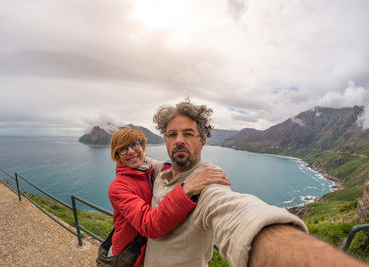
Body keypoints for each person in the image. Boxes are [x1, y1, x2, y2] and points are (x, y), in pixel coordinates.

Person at [143, 99, 365, 267]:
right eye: (172, 134)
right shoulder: (161, 172)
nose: (179, 140)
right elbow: (149, 161)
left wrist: (275, 240)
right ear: (165, 140)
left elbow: (233, 210)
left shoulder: (207, 182)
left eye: (188, 133)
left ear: (202, 141)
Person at [107, 128, 231, 266]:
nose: (130, 151)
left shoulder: (148, 172)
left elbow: (156, 164)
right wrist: (187, 189)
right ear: (117, 156)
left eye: (134, 145)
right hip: (128, 259)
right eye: (123, 149)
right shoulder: (118, 187)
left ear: (142, 146)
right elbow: (148, 224)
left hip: (147, 254)